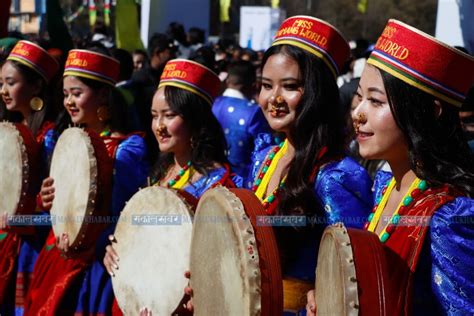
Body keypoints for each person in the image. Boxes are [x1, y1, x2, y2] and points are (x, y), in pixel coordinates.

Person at [184, 15, 374, 315]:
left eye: (290, 86)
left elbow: (353, 278)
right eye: (265, 85)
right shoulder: (264, 159)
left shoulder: (336, 176)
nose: (274, 99)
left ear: (317, 92)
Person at [307, 19, 474, 315]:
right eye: (360, 98)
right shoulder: (386, 187)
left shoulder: (448, 216)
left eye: (376, 101)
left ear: (429, 112)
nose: (358, 114)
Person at [103, 59, 241, 314]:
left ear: (195, 120)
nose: (159, 126)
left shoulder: (222, 184)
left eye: (169, 115)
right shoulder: (157, 174)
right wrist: (116, 250)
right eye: (154, 116)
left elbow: (228, 263)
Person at [24, 49, 149, 315]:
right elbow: (59, 208)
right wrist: (44, 203)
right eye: (66, 94)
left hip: (94, 267)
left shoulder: (125, 149)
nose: (68, 101)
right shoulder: (67, 141)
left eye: (77, 93)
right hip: (56, 255)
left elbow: (125, 217)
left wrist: (93, 239)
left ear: (103, 94)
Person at [0, 40, 60, 315]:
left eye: (10, 83)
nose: (3, 90)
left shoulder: (49, 137)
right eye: (1, 83)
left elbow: (57, 213)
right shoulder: (11, 130)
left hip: (32, 249)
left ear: (36, 87)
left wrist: (22, 216)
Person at [212, 60, 272, 182]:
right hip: (240, 185)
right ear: (254, 85)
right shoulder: (253, 112)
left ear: (228, 80)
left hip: (208, 182)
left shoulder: (212, 104)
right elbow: (265, 153)